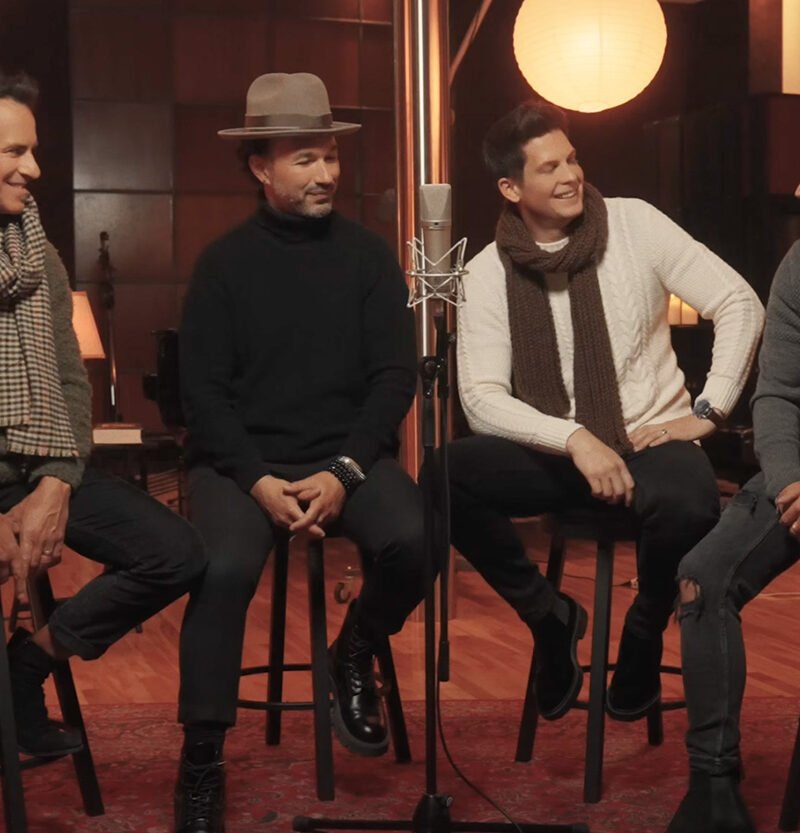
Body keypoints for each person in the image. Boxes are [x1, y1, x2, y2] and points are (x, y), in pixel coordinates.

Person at [447, 100, 764, 724]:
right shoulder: (485, 274)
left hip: (648, 443)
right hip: (556, 452)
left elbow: (737, 301)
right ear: (510, 188)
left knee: (691, 499)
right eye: (549, 168)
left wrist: (710, 409)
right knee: (445, 478)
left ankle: (644, 629)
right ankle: (550, 618)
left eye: (571, 159)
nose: (570, 175)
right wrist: (574, 439)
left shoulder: (634, 224)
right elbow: (481, 398)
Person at [176, 72, 424, 833]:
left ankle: (354, 648)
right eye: (305, 158)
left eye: (331, 156)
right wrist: (256, 480)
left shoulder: (369, 258)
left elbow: (394, 377)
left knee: (416, 538)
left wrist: (345, 470)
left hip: (345, 457)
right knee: (222, 569)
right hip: (240, 464)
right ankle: (202, 760)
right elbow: (203, 394)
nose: (326, 173)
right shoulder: (222, 264)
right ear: (261, 166)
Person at [0, 70, 207, 758]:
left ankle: (24, 668)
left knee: (176, 552)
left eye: (33, 150)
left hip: (42, 466)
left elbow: (69, 382)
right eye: (14, 152)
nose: (34, 168)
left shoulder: (39, 256)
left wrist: (56, 486)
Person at [665, 182, 800, 833]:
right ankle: (714, 784)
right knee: (703, 577)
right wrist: (791, 480)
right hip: (797, 479)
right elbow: (778, 395)